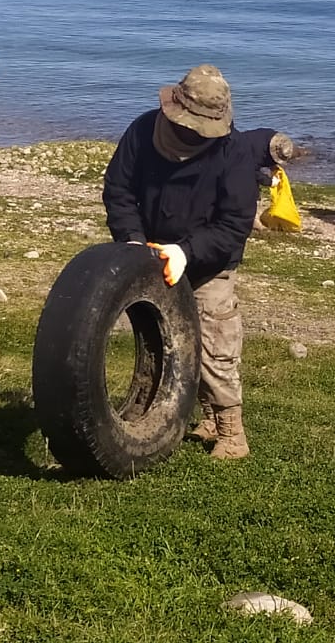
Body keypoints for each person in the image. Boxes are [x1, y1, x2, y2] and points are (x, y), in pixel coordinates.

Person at [102, 64, 258, 459]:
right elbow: (119, 190)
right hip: (147, 254)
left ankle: (230, 430)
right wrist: (133, 242)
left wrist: (186, 251)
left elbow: (234, 224)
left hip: (209, 261)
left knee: (214, 342)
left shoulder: (234, 152)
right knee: (160, 337)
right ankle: (175, 414)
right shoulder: (142, 131)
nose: (194, 133)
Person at [233, 128, 296, 230]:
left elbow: (266, 157)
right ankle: (253, 220)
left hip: (243, 154)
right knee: (250, 189)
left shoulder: (272, 138)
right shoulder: (257, 150)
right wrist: (269, 181)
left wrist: (273, 166)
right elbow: (252, 171)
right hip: (234, 156)